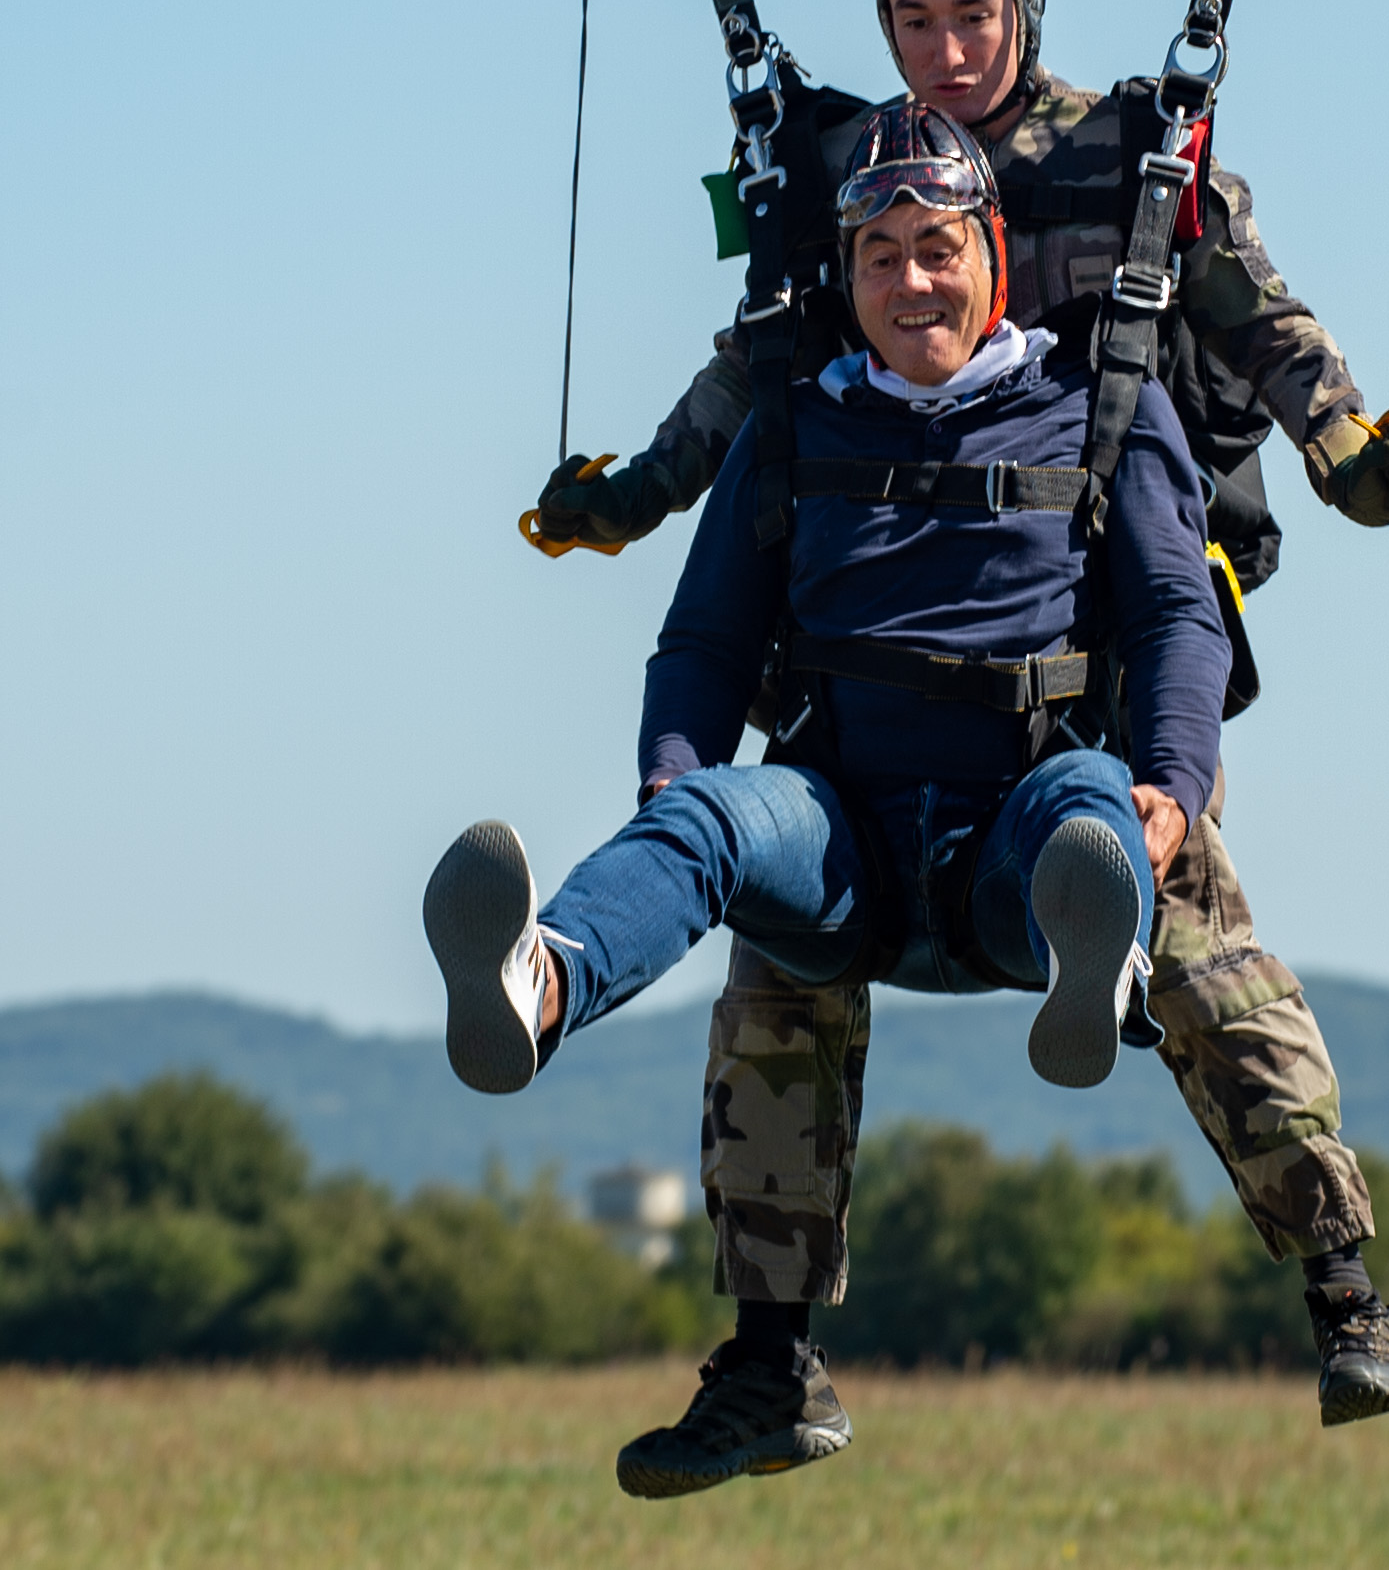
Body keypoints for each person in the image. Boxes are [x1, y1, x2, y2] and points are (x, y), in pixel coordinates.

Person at [520, 0, 1389, 1430]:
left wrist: (1344, 440)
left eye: (971, 17)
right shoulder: (851, 173)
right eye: (913, 21)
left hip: (1093, 631)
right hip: (868, 667)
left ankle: (1346, 1297)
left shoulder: (1125, 160)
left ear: (1023, 11)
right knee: (774, 953)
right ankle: (765, 1363)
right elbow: (759, 368)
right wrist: (640, 487)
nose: (943, 51)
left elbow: (1253, 312)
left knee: (1195, 924)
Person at [431, 102, 1224, 1496]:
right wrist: (673, 784)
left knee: (1090, 802)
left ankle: (1085, 963)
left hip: (1013, 833)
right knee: (715, 814)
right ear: (845, 278)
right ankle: (538, 981)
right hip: (839, 844)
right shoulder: (795, 425)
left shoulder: (1100, 407)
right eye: (878, 259)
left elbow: (1173, 616)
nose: (911, 282)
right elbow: (701, 646)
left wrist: (1173, 785)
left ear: (991, 251)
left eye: (936, 249)